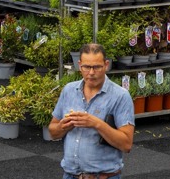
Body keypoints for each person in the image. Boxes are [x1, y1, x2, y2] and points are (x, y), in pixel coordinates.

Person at [49, 43, 134, 179]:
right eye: (87, 67)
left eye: (97, 67)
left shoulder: (120, 96)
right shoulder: (69, 90)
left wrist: (96, 123)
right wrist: (63, 127)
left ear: (106, 65)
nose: (91, 72)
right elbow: (53, 132)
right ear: (79, 65)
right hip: (70, 175)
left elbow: (126, 144)